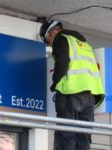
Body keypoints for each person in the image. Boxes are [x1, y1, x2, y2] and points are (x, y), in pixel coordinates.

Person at [39, 20, 105, 150]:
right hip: (88, 98)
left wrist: (55, 83)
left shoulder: (60, 39)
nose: (50, 44)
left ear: (52, 32)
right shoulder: (84, 44)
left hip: (70, 94)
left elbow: (62, 63)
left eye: (47, 41)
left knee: (65, 134)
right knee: (83, 136)